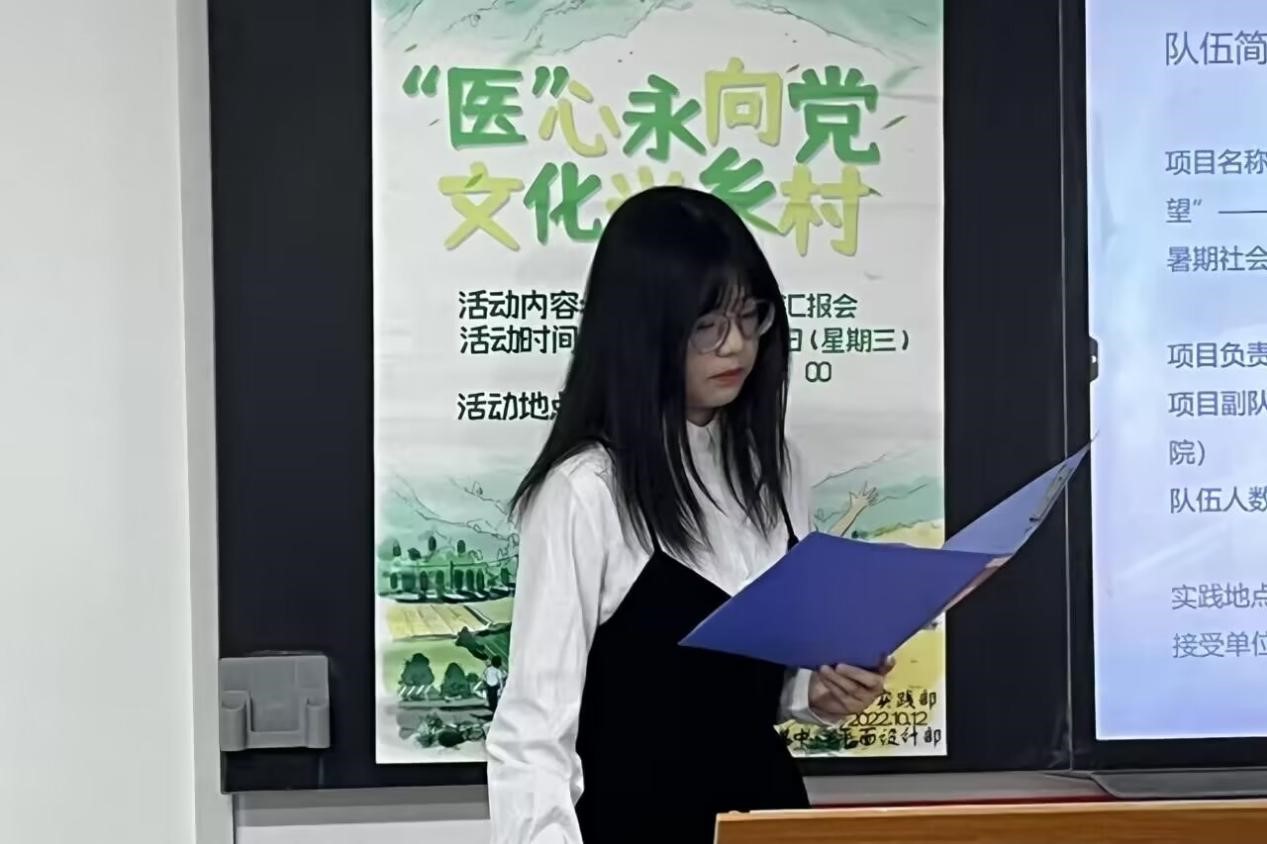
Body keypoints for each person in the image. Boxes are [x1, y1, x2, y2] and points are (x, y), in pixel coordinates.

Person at [486, 187, 892, 843]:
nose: (736, 346)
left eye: (750, 315)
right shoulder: (586, 490)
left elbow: (738, 683)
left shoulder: (776, 467)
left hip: (765, 817)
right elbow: (532, 735)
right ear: (643, 330)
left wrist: (813, 695)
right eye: (708, 325)